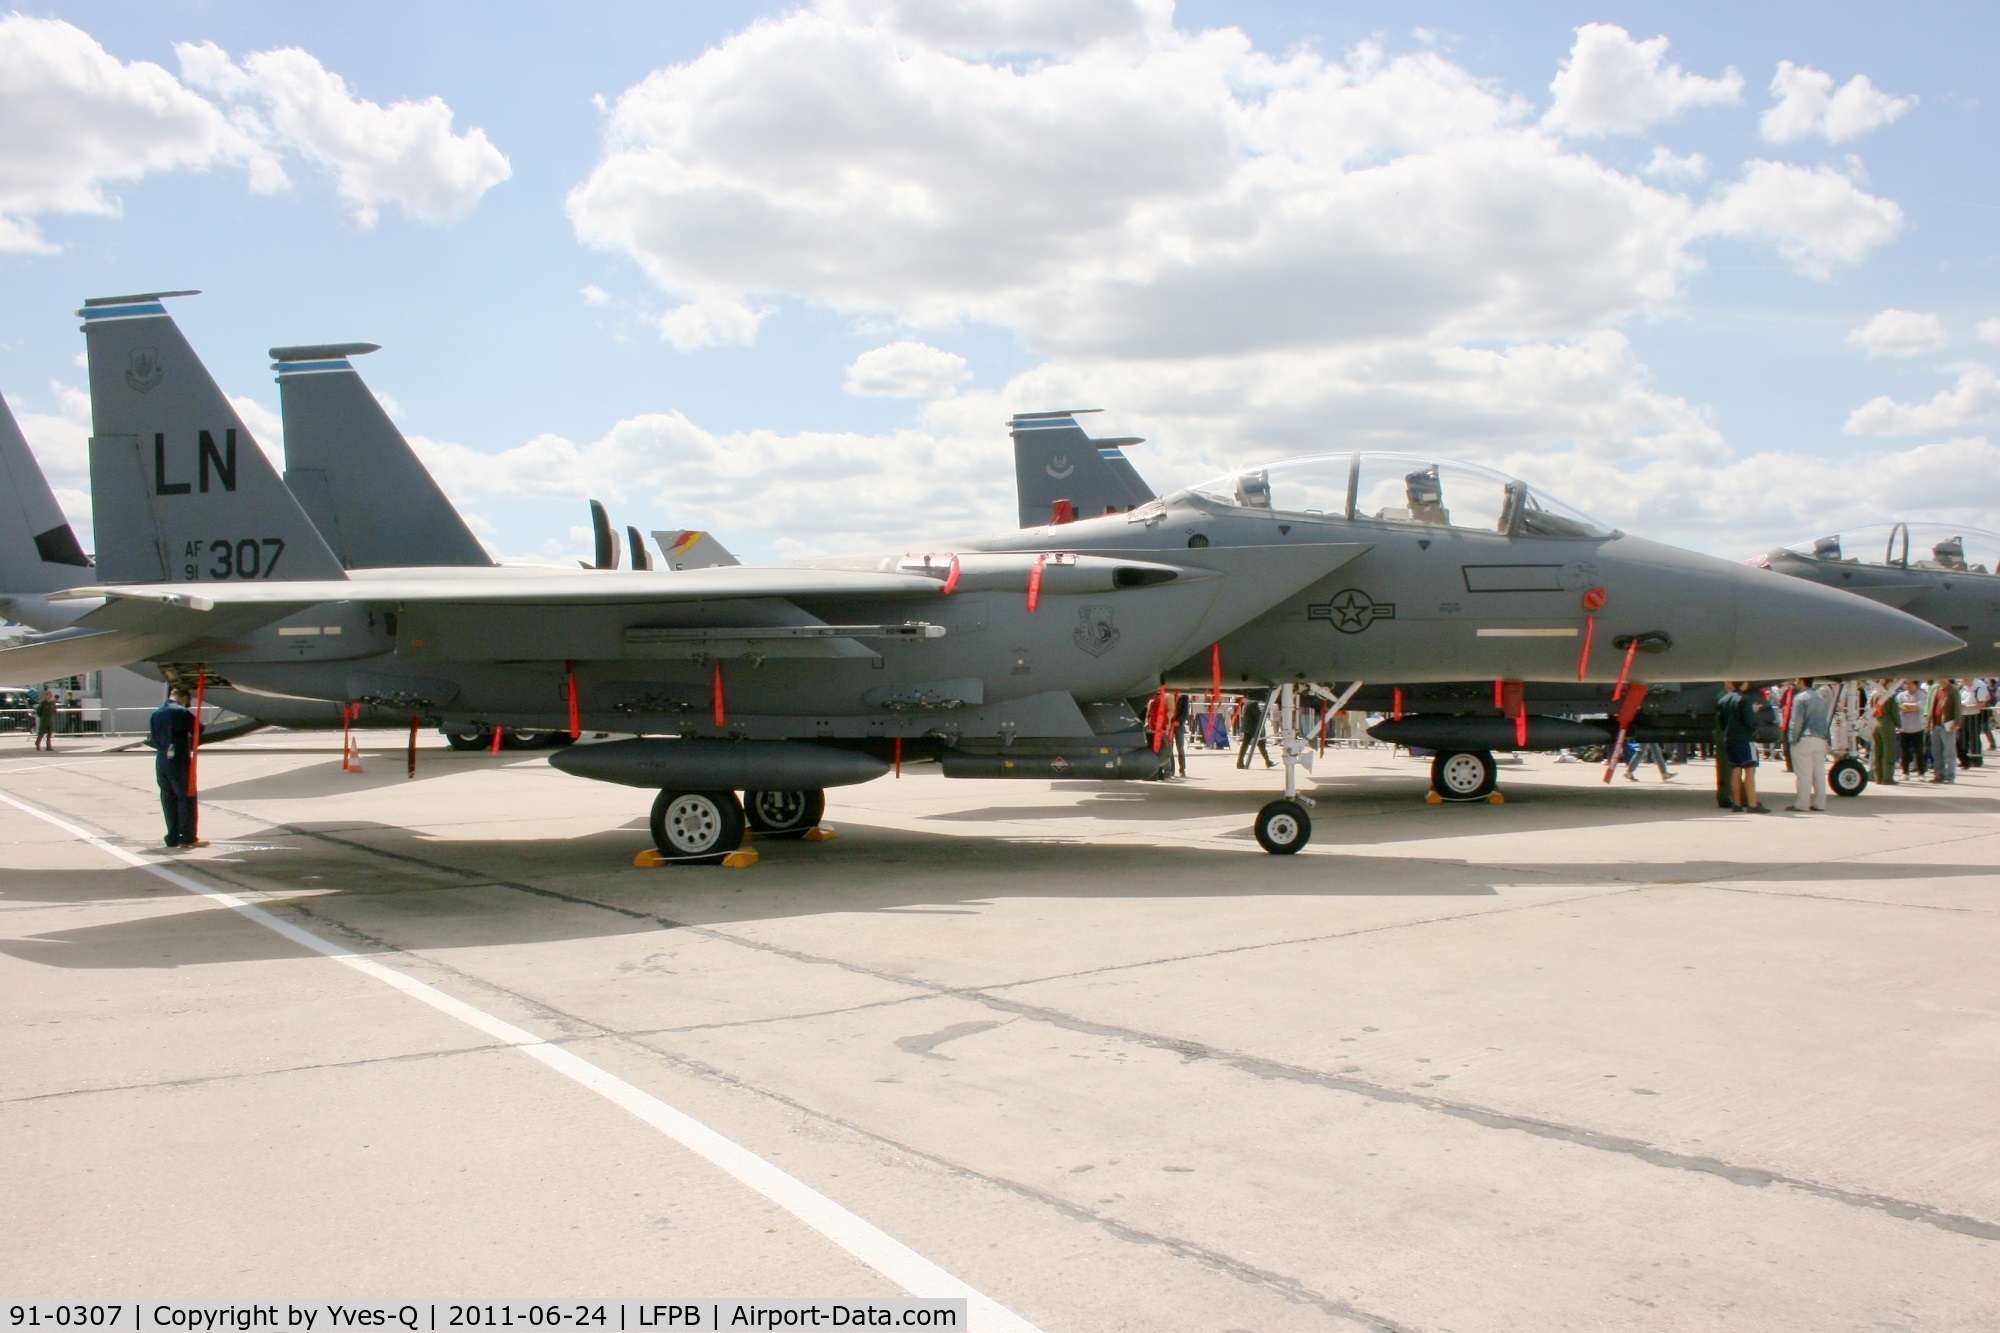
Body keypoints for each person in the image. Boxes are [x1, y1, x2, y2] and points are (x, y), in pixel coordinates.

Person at [149, 687, 206, 849]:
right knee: (186, 797)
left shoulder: (157, 713)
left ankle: (172, 837)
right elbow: (198, 728)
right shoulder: (180, 711)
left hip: (161, 759)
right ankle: (188, 837)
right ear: (184, 697)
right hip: (178, 759)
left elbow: (153, 738)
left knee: (168, 798)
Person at [1720, 681, 1769, 812]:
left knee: (1735, 771)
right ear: (1745, 684)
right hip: (1745, 739)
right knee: (1750, 770)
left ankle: (1736, 803)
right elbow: (1749, 721)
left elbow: (1722, 723)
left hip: (1730, 739)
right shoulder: (1745, 699)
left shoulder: (1723, 700)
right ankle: (1752, 804)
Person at [1787, 678, 1833, 812]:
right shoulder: (1820, 698)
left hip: (1804, 738)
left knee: (1804, 774)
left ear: (1801, 681)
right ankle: (1820, 803)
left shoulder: (1800, 698)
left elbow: (1796, 722)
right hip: (1819, 738)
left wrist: (1793, 739)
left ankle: (1802, 803)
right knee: (1818, 773)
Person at [1928, 677, 1961, 783]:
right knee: (1936, 751)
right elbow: (1931, 706)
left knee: (1949, 751)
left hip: (1947, 724)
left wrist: (1957, 722)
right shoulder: (1935, 689)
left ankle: (1950, 776)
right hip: (1935, 724)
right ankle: (1939, 775)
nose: (1940, 679)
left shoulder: (1953, 690)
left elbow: (1957, 707)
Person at [1869, 680, 1900, 786]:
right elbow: (1894, 712)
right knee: (1888, 752)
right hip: (1887, 724)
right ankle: (1887, 778)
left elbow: (1871, 710)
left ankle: (1878, 776)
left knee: (1878, 751)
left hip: (1876, 723)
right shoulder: (1889, 696)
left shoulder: (1875, 695)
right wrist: (1899, 725)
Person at [1895, 679, 1928, 778]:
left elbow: (1919, 706)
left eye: (1910, 683)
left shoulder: (1921, 694)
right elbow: (1898, 707)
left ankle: (1921, 772)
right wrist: (1909, 707)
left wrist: (1906, 705)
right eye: (1906, 683)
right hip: (1904, 727)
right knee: (1905, 751)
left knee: (1918, 751)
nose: (1908, 685)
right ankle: (1905, 772)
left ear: (1916, 684)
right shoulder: (1901, 695)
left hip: (1918, 727)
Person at [1236, 695, 1274, 769]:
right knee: (1260, 744)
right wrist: (1264, 711)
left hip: (1250, 727)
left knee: (1252, 745)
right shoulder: (1253, 704)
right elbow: (1258, 715)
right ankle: (1267, 761)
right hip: (1252, 728)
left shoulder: (1249, 703)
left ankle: (1267, 761)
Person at [1171, 691, 1191, 777]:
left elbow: (1185, 712)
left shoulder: (1184, 695)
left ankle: (1182, 769)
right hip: (1170, 723)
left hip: (1179, 724)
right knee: (1169, 747)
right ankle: (1171, 769)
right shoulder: (1170, 694)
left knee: (1180, 747)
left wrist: (1179, 721)